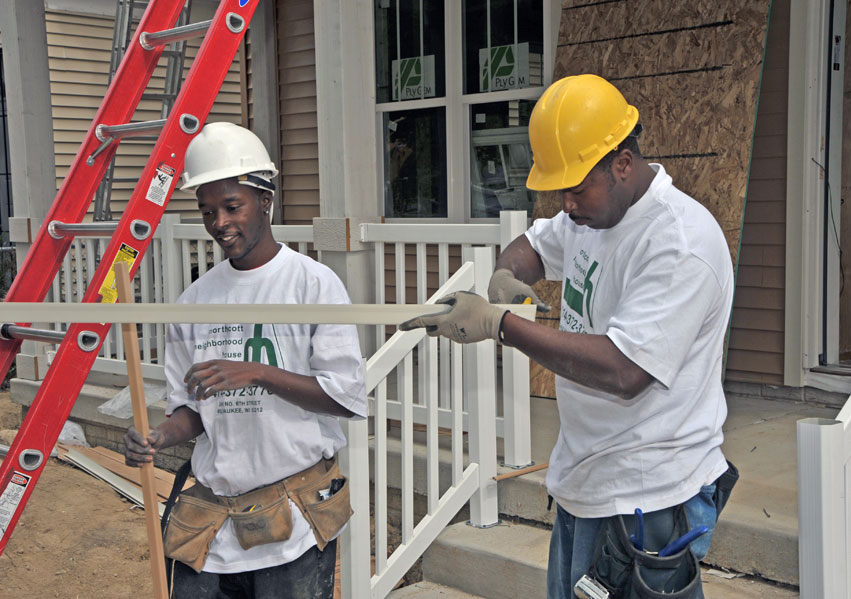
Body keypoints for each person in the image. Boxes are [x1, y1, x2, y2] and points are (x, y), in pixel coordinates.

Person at [400, 74, 737, 598]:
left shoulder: (678, 243)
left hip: (647, 499)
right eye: (562, 190)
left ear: (622, 163)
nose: (568, 204)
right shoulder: (591, 216)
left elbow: (625, 371)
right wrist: (507, 276)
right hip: (586, 480)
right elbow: (533, 245)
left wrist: (498, 323)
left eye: (577, 188)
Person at [123, 122, 366, 599]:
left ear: (266, 201)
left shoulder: (312, 286)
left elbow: (344, 398)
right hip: (212, 526)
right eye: (207, 211)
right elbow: (191, 412)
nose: (219, 223)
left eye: (232, 206)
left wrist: (256, 372)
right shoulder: (193, 303)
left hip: (292, 521)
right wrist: (158, 436)